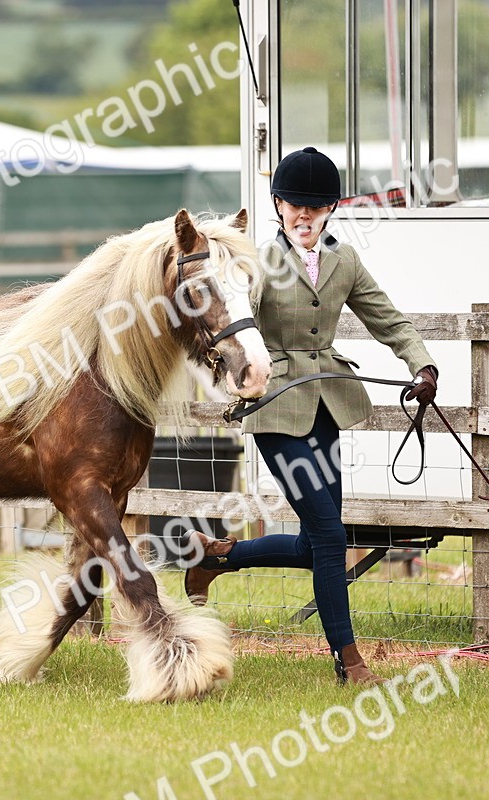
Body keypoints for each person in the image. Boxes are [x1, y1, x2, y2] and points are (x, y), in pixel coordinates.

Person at [182, 147, 438, 685]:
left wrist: (423, 365)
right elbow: (234, 321)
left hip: (327, 407)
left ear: (331, 209)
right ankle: (350, 662)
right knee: (329, 535)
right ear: (278, 205)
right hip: (276, 407)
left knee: (315, 544)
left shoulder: (346, 261)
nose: (305, 215)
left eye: (316, 207)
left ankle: (220, 557)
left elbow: (388, 320)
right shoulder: (256, 264)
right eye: (295, 204)